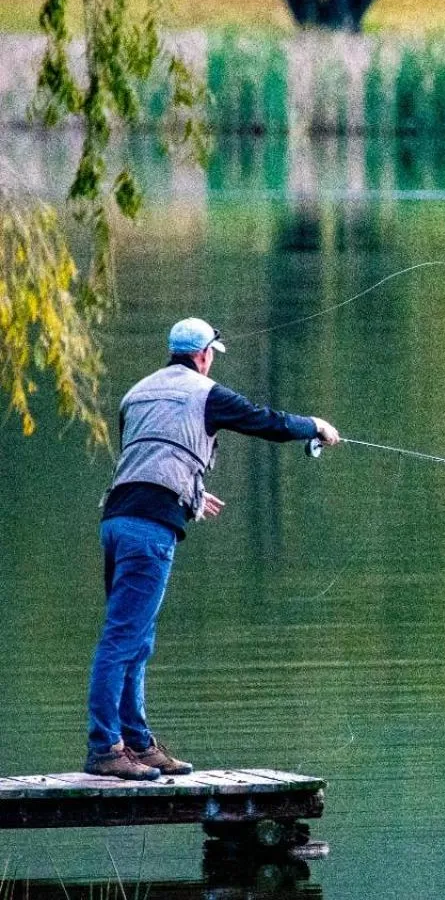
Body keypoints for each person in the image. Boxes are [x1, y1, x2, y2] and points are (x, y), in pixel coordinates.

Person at [85, 318, 340, 781]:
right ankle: (106, 747)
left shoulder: (135, 394)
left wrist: (192, 497)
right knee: (123, 638)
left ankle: (138, 743)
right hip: (148, 529)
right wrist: (314, 427)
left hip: (119, 518)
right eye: (211, 357)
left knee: (135, 639)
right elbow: (266, 421)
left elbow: (147, 455)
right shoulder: (207, 393)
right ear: (204, 355)